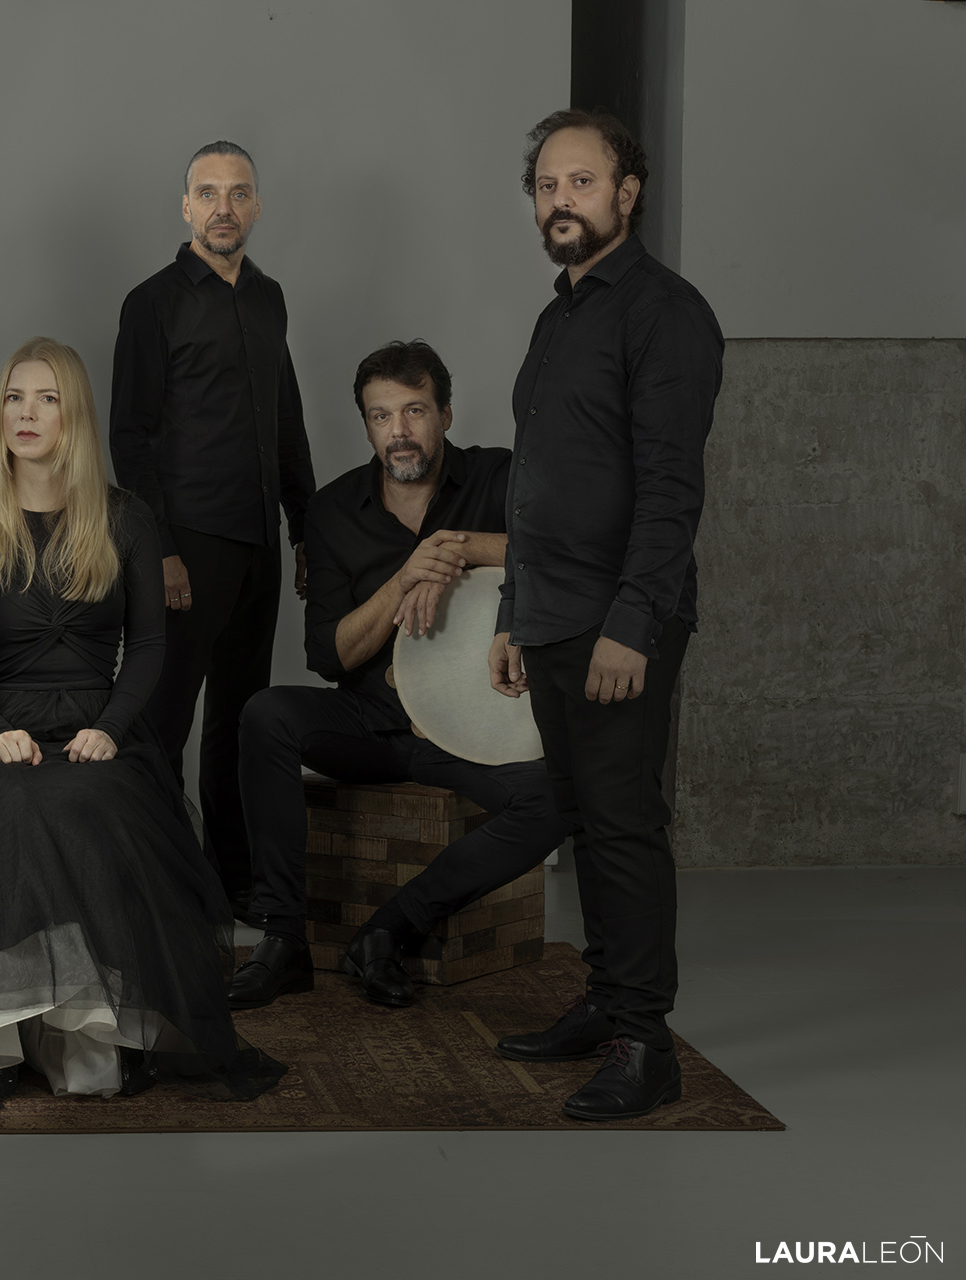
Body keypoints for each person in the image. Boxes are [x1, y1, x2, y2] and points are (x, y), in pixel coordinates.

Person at [0, 338, 286, 1107]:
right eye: (14, 398)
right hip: (0, 722)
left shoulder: (127, 517)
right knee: (6, 804)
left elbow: (151, 646)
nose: (27, 413)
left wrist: (114, 727)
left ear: (76, 416)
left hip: (100, 723)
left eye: (48, 398)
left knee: (89, 800)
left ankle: (85, 1034)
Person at [488, 110, 723, 1122]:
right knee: (583, 818)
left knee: (624, 824)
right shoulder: (560, 316)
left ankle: (644, 1041)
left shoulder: (665, 313)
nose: (560, 201)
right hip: (550, 613)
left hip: (618, 618)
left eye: (580, 183)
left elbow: (671, 488)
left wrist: (633, 621)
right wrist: (511, 608)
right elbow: (533, 482)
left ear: (628, 193)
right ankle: (606, 997)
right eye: (547, 186)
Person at [226, 341, 572, 1011]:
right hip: (372, 722)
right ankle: (283, 939)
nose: (399, 431)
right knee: (266, 713)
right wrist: (405, 579)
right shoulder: (332, 511)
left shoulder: (499, 477)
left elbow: (563, 552)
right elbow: (328, 654)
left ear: (445, 413)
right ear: (366, 425)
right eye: (381, 416)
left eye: (415, 410)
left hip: (466, 732)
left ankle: (388, 930)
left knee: (558, 799)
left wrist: (458, 548)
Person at [110, 140, 315, 922]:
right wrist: (159, 549)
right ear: (186, 207)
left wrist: (304, 528)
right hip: (187, 543)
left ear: (255, 206)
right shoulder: (152, 302)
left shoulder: (269, 298)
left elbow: (285, 418)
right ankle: (160, 882)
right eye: (208, 193)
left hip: (259, 541)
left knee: (241, 718)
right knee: (164, 721)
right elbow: (130, 436)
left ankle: (231, 880)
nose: (223, 207)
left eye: (238, 193)